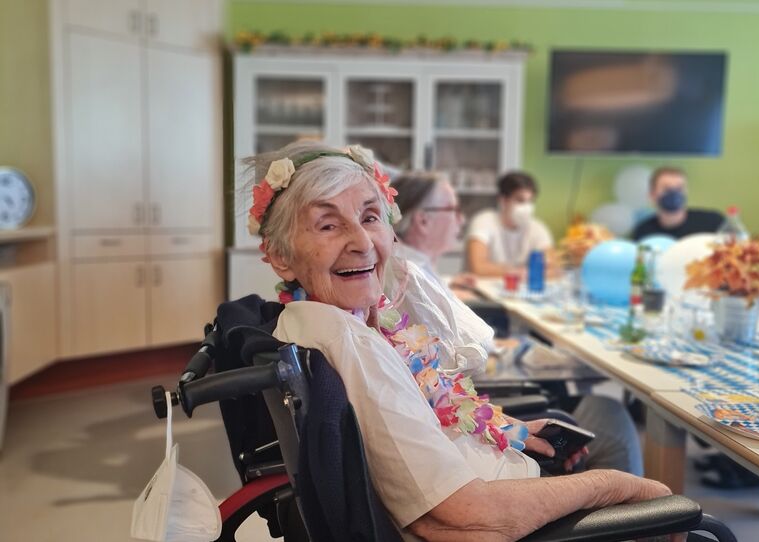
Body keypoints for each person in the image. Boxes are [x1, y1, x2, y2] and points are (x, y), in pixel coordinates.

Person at [246, 142, 674, 541]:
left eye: (370, 217)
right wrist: (612, 487)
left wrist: (510, 431)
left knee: (601, 422)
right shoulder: (351, 343)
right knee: (620, 438)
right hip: (510, 516)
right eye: (327, 225)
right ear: (281, 256)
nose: (361, 243)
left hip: (498, 482)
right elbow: (462, 514)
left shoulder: (328, 324)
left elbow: (425, 429)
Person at [391, 170, 644, 476]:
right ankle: (619, 511)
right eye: (453, 210)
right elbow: (453, 369)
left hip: (473, 409)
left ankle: (611, 508)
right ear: (422, 220)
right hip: (479, 415)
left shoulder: (413, 268)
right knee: (610, 414)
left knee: (585, 396)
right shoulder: (411, 280)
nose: (461, 219)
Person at [466, 171, 554, 277]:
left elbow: (554, 269)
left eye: (530, 201)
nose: (527, 207)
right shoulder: (484, 221)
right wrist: (523, 272)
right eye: (520, 200)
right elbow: (478, 268)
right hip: (478, 290)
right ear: (503, 200)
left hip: (518, 291)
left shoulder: (537, 227)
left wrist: (518, 272)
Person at [631, 166, 724, 241]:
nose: (674, 193)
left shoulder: (713, 222)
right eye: (667, 189)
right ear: (652, 195)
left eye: (679, 188)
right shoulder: (644, 231)